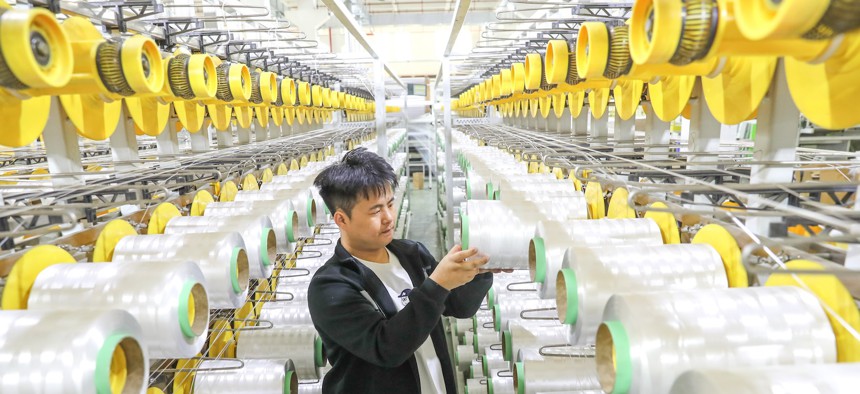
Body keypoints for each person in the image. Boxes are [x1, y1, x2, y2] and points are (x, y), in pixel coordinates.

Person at [308, 147, 496, 394]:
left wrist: (478, 272)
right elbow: (386, 348)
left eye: (390, 204)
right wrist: (437, 285)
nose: (388, 217)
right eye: (375, 210)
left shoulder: (411, 254)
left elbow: (458, 306)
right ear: (342, 219)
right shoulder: (331, 287)